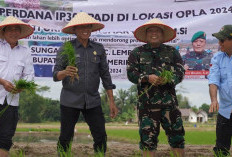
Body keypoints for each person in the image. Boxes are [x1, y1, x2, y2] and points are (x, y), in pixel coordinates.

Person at [53, 12, 118, 155]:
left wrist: (111, 101)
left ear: (91, 28)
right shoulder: (66, 48)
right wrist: (65, 72)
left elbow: (105, 76)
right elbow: (55, 75)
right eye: (81, 27)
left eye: (88, 26)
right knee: (65, 137)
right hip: (69, 100)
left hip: (93, 100)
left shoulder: (98, 48)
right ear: (75, 30)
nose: (85, 29)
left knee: (100, 136)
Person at [127, 18, 185, 157]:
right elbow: (131, 74)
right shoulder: (137, 53)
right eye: (151, 31)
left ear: (162, 34)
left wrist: (169, 79)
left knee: (177, 138)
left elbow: (180, 72)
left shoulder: (172, 52)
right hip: (147, 106)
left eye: (157, 31)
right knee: (147, 140)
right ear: (146, 35)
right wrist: (147, 78)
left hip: (169, 105)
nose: (154, 34)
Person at [0, 16, 34, 157]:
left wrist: (22, 86)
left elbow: (29, 75)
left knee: (6, 138)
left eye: (16, 30)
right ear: (4, 32)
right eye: (10, 29)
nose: (13, 32)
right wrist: (2, 82)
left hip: (12, 102)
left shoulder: (25, 51)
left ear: (20, 33)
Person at [208, 25, 232, 157]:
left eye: (222, 40)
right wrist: (214, 100)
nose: (219, 43)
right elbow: (213, 80)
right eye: (219, 40)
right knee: (221, 149)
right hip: (225, 111)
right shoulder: (217, 58)